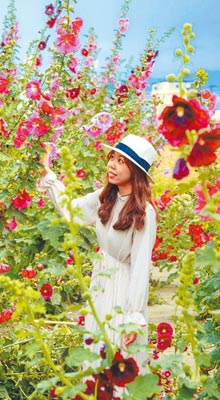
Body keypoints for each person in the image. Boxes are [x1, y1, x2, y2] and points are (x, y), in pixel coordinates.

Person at [37, 134, 158, 369]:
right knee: (97, 347)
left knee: (118, 350)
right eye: (112, 157)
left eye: (121, 161)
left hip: (123, 288)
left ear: (135, 170)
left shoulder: (145, 212)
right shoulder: (106, 197)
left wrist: (134, 318)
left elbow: (141, 266)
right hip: (101, 281)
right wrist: (47, 172)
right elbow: (73, 210)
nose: (111, 164)